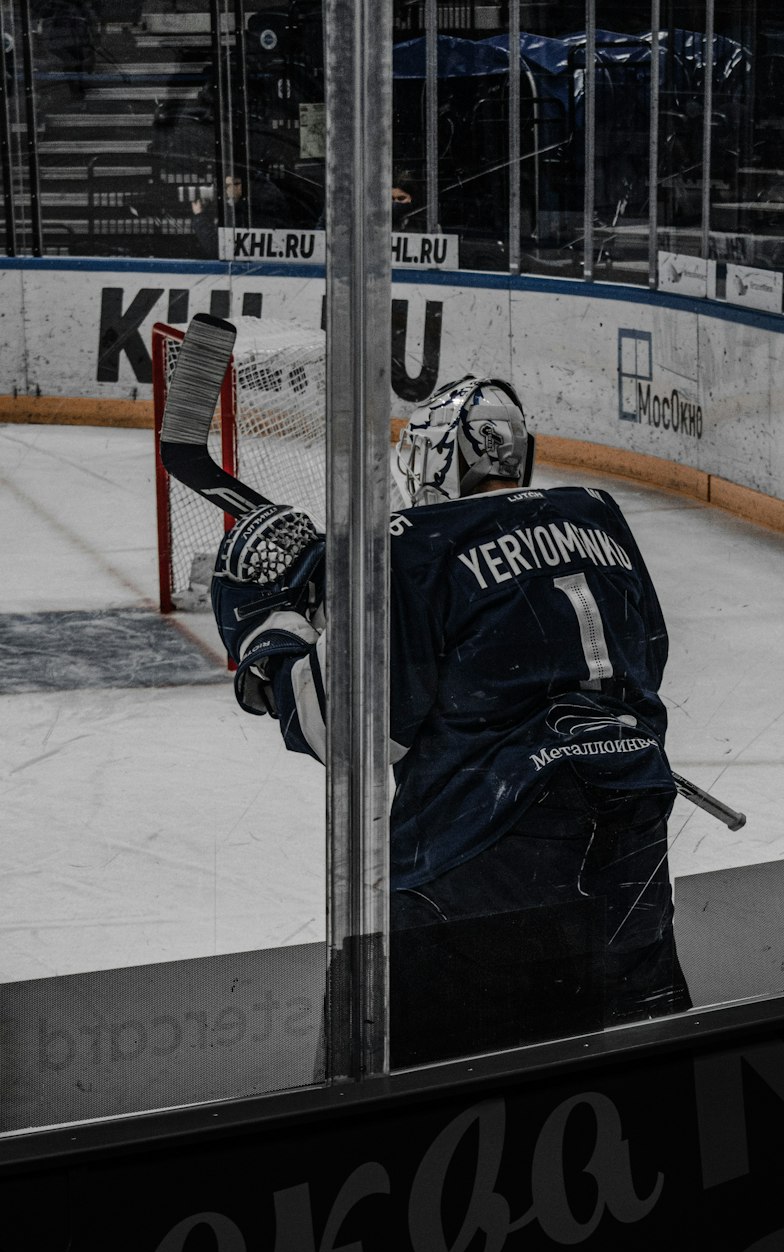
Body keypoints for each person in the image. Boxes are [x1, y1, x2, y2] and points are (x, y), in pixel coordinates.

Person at [210, 376, 690, 1063]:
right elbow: (649, 660)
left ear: (438, 460)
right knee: (640, 1076)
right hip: (631, 846)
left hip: (482, 864)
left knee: (396, 1096)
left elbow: (344, 726)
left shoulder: (414, 543)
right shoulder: (597, 514)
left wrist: (271, 633)